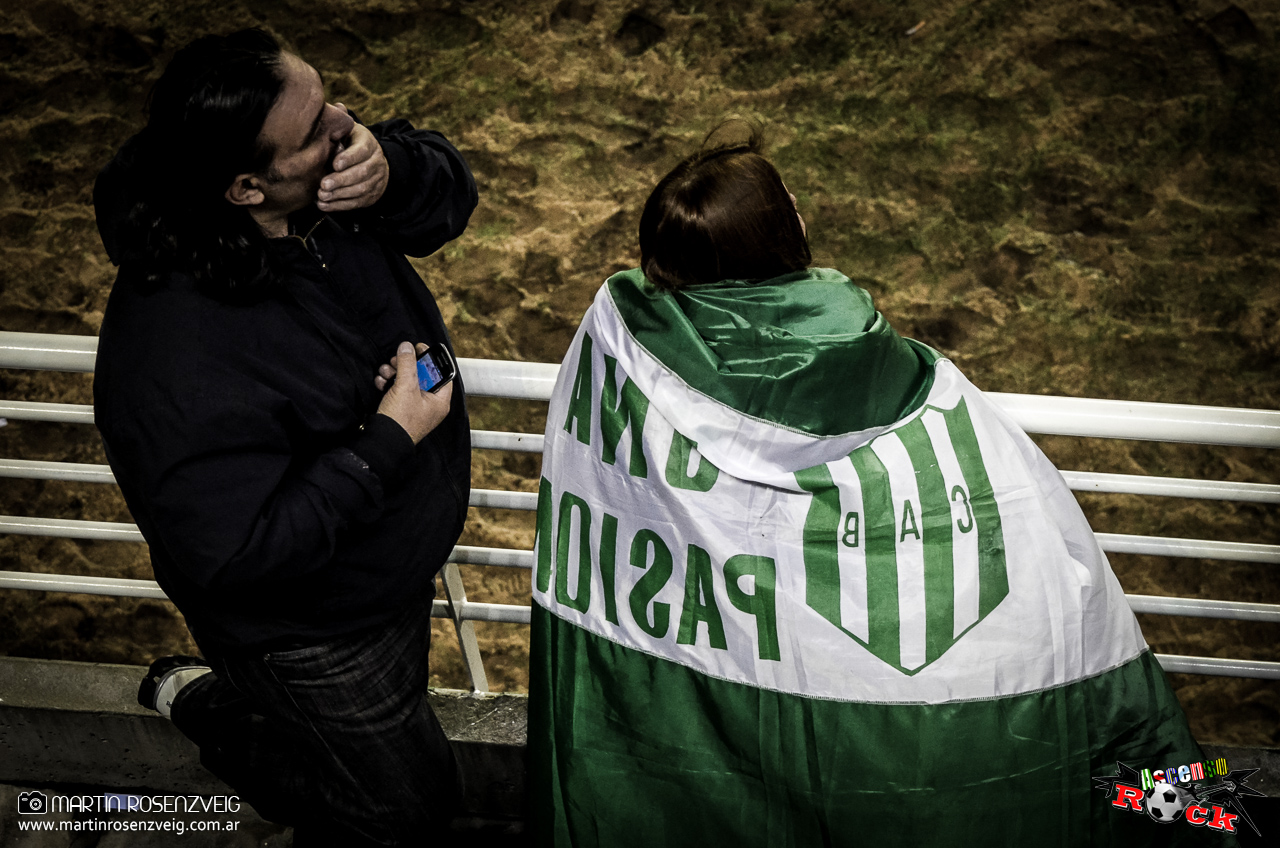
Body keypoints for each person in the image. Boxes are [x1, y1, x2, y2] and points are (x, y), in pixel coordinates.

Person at [527, 127, 1228, 846]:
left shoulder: (620, 338)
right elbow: (1012, 506)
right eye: (789, 203)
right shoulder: (888, 366)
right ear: (781, 237)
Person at [92, 28, 477, 847]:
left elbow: (449, 200)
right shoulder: (172, 352)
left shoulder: (317, 189)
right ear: (243, 189)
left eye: (331, 98)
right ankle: (203, 704)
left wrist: (394, 168)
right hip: (315, 633)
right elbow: (232, 556)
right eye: (318, 131)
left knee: (389, 770)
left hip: (384, 565)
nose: (345, 119)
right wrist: (387, 438)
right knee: (407, 814)